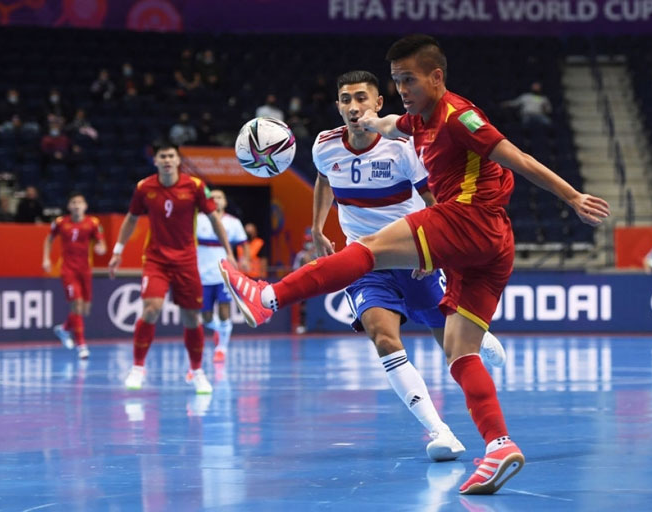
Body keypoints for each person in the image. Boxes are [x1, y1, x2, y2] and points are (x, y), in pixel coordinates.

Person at [219, 35, 610, 495]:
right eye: (397, 81)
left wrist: (573, 197)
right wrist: (371, 120)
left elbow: (517, 158)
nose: (402, 89)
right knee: (460, 352)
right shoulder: (411, 120)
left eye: (409, 80)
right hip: (492, 245)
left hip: (467, 218)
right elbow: (391, 123)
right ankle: (499, 445)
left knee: (367, 249)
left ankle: (268, 297)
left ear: (436, 77)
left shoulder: (460, 117)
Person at [308, 69, 508, 461]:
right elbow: (324, 178)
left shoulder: (402, 147)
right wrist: (317, 228)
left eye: (362, 98)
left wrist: (436, 249)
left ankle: (477, 337)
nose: (354, 107)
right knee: (383, 338)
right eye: (346, 100)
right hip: (364, 259)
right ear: (338, 106)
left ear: (378, 103)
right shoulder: (324, 145)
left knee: (451, 345)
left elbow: (434, 201)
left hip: (412, 252)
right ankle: (440, 431)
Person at [108, 141, 236, 394]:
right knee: (151, 308)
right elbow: (131, 219)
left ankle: (197, 372)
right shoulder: (144, 188)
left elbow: (214, 220)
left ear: (178, 161)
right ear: (155, 161)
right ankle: (137, 367)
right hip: (156, 260)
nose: (167, 160)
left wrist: (229, 252)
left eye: (171, 156)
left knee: (191, 317)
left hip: (186, 261)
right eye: (162, 156)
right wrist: (117, 251)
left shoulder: (195, 186)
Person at [42, 192, 106, 359]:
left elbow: (102, 243)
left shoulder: (92, 223)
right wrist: (46, 259)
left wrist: (101, 249)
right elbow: (49, 239)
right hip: (68, 270)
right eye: (73, 202)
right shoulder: (61, 223)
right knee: (76, 304)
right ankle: (82, 346)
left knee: (84, 309)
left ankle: (63, 329)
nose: (77, 205)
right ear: (69, 206)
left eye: (80, 202)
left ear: (85, 206)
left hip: (85, 270)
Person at [195, 189, 248, 363]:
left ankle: (221, 348)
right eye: (213, 197)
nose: (216, 200)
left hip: (224, 273)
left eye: (219, 197)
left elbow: (243, 243)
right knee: (206, 317)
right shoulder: (198, 219)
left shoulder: (233, 222)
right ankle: (220, 329)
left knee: (225, 311)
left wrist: (245, 260)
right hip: (202, 274)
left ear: (225, 202)